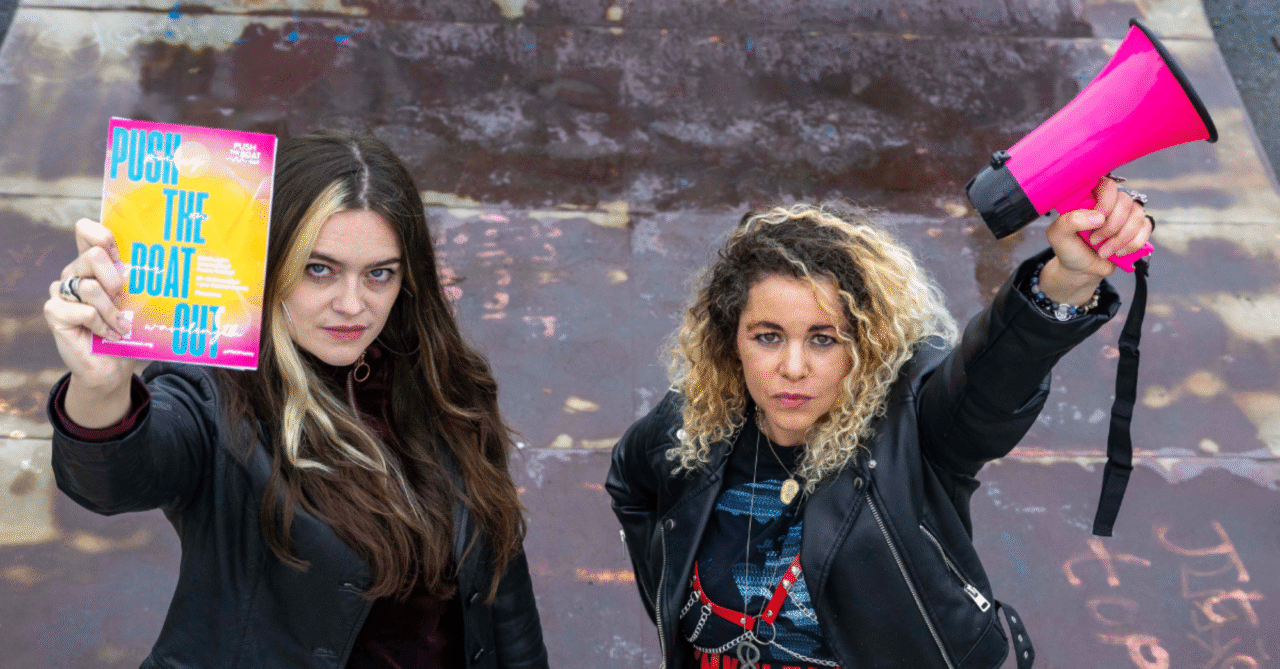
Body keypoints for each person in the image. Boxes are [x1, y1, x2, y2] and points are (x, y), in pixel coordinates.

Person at [44, 130, 549, 669]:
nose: (351, 304)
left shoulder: (441, 382)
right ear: (271, 262)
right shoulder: (218, 387)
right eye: (319, 269)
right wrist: (101, 387)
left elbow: (501, 586)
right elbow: (116, 480)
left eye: (379, 274)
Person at [606, 178, 1151, 669]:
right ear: (733, 341)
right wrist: (674, 602)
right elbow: (631, 484)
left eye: (824, 339)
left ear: (866, 345)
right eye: (768, 336)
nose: (792, 368)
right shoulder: (693, 424)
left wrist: (1067, 279)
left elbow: (990, 382)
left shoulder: (911, 427)